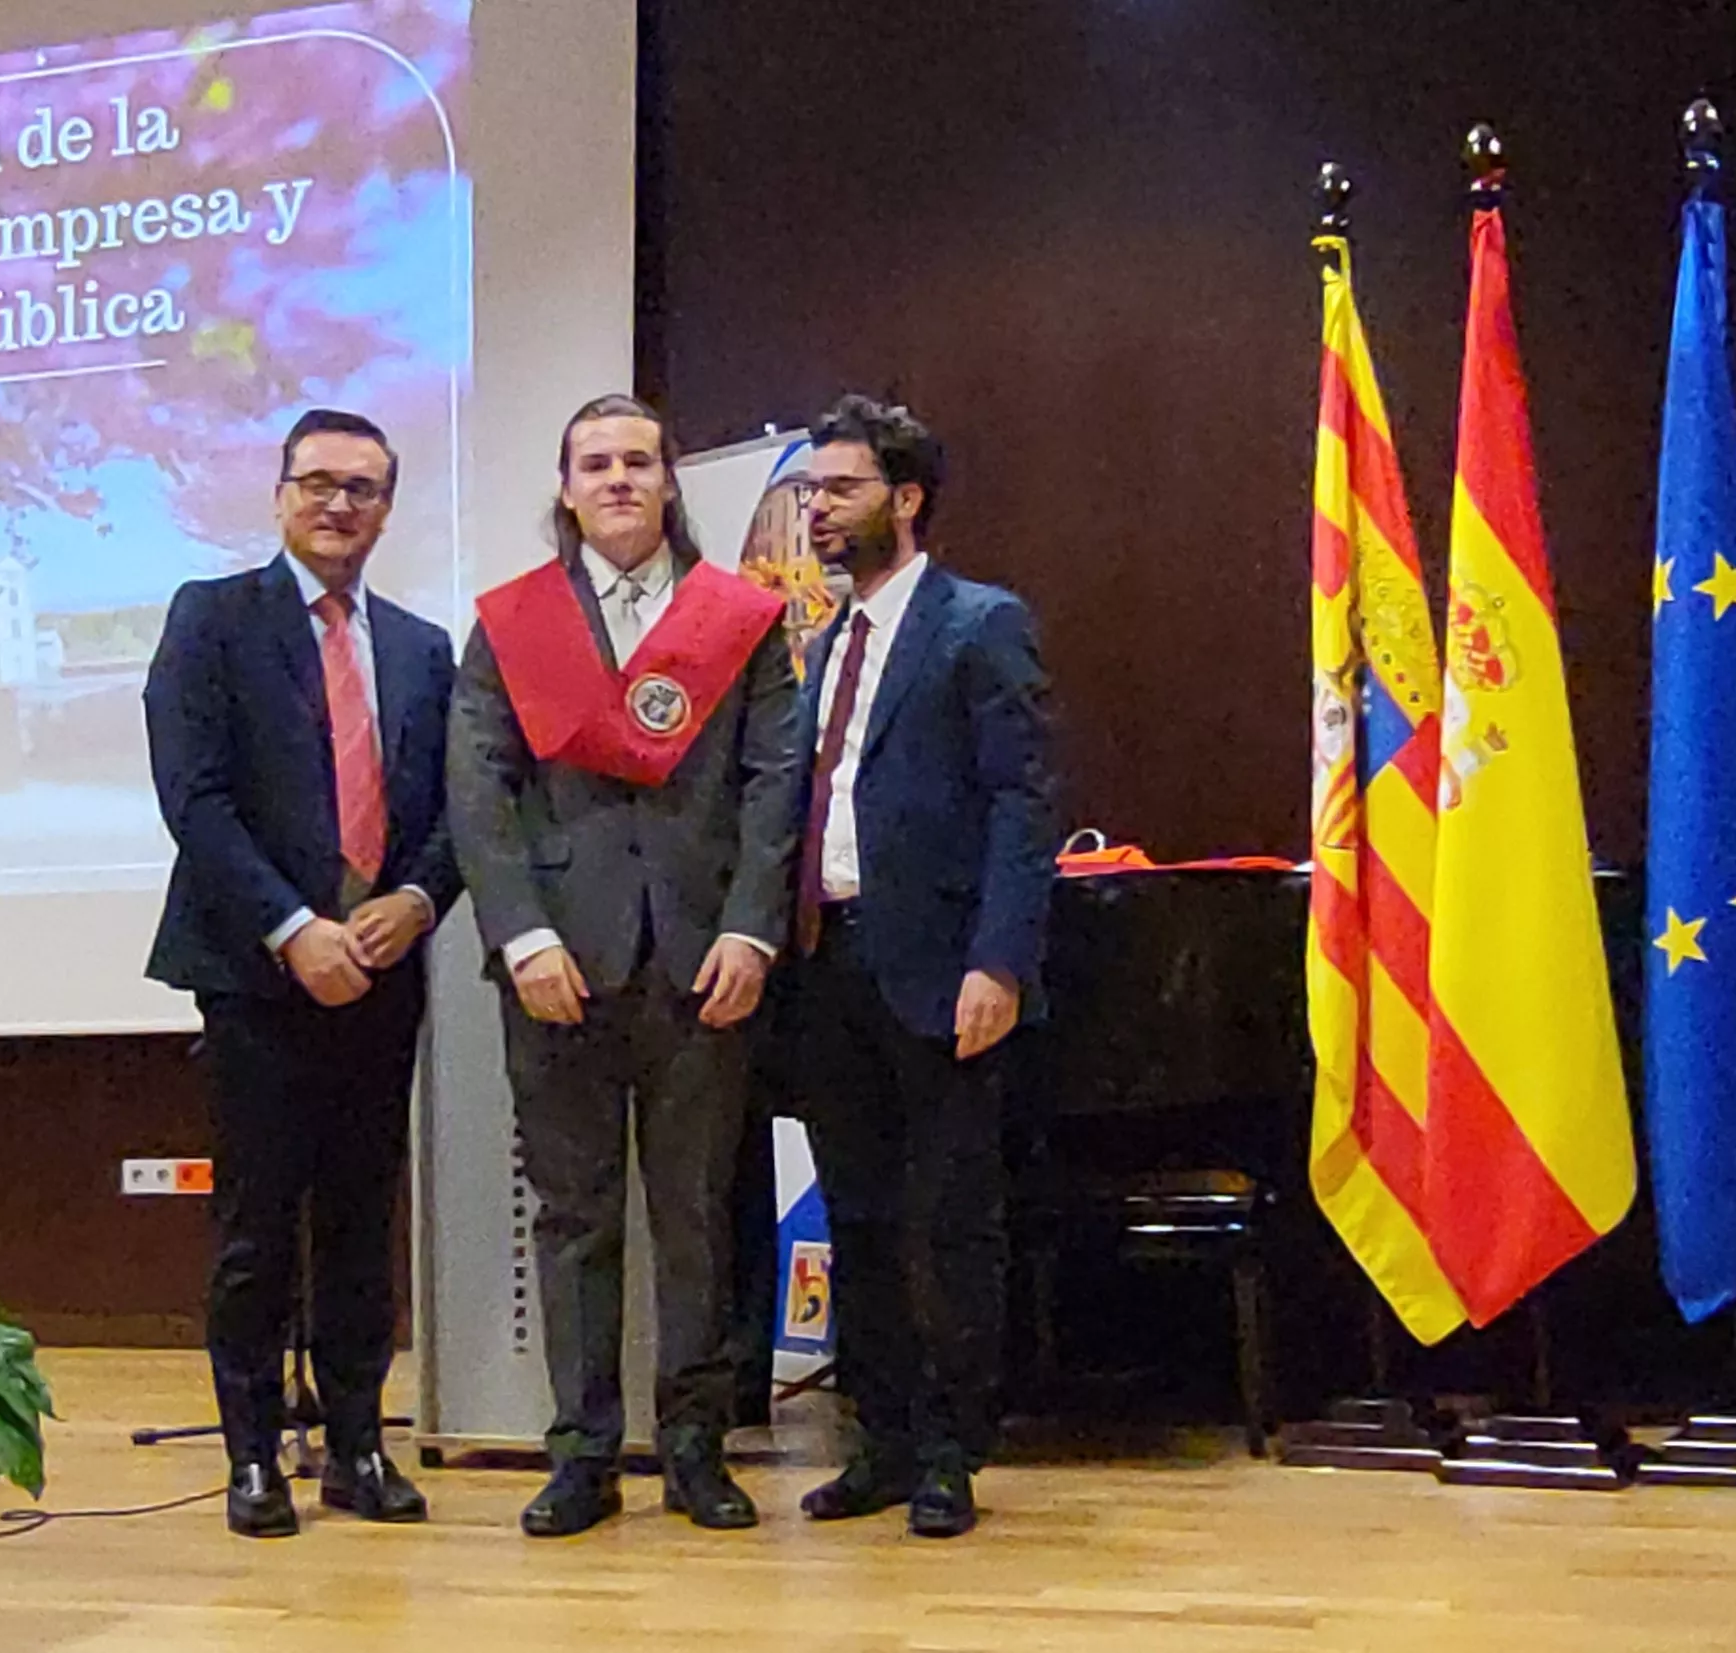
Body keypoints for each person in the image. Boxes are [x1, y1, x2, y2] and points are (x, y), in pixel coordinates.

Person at [448, 393, 806, 1536]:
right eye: (594, 463)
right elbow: (479, 792)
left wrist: (752, 927)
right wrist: (524, 935)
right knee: (574, 1217)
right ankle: (584, 1456)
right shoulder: (512, 624)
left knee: (697, 1213)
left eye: (638, 462)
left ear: (667, 483)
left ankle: (696, 1450)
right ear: (566, 488)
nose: (616, 480)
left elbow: (774, 785)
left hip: (706, 963)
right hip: (560, 968)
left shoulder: (739, 619)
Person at [144, 408, 459, 1539]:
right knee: (258, 1226)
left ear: (388, 505)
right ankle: (252, 1458)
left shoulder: (425, 648)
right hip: (256, 976)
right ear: (280, 494)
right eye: (319, 483)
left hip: (383, 974)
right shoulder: (213, 619)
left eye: (364, 488)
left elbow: (454, 814)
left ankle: (359, 1446)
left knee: (364, 1222)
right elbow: (195, 798)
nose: (340, 505)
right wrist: (292, 927)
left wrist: (415, 902)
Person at [784, 395, 1060, 1538]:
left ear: (904, 499)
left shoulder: (977, 622)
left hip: (943, 970)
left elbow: (1025, 800)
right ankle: (880, 1442)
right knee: (857, 1215)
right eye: (809, 492)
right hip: (829, 966)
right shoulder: (822, 642)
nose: (818, 510)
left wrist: (999, 960)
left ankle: (951, 1452)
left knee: (950, 1221)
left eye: (839, 489)